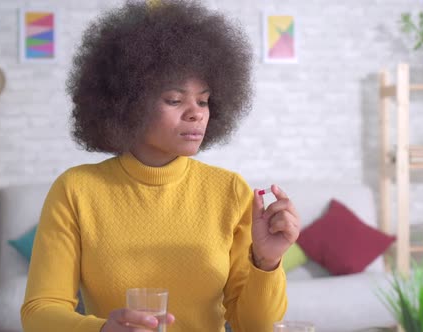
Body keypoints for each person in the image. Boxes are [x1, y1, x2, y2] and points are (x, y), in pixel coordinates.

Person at [20, 1, 300, 331]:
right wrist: (101, 329)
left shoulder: (231, 191)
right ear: (128, 103)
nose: (196, 113)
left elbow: (255, 326)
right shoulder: (76, 190)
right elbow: (40, 311)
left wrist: (266, 262)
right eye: (175, 100)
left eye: (204, 100)